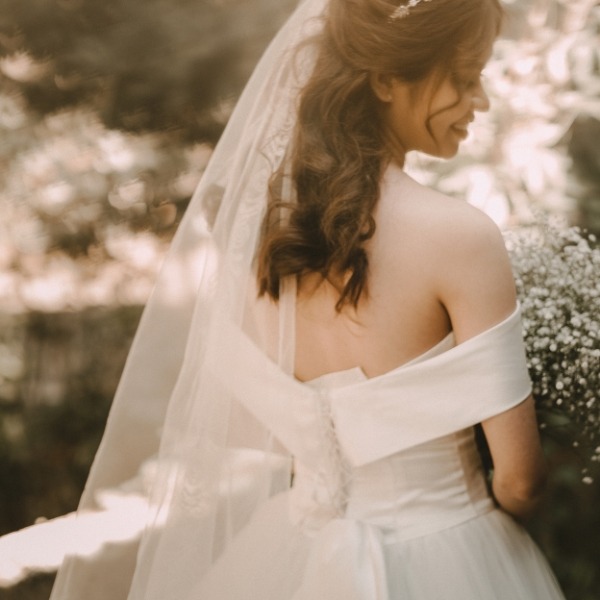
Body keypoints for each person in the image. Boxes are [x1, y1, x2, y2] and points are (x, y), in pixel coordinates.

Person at [48, 0, 566, 598]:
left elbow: (248, 421)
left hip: (289, 552)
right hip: (446, 548)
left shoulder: (261, 240)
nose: (482, 101)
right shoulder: (461, 237)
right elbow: (521, 482)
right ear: (385, 79)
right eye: (465, 77)